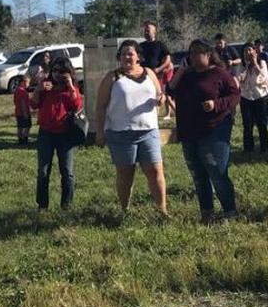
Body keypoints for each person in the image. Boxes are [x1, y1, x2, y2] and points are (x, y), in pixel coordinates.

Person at [169, 39, 241, 223]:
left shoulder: (219, 74)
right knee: (199, 175)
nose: (192, 57)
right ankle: (207, 213)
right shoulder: (186, 75)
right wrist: (181, 71)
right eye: (190, 53)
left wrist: (216, 104)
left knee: (217, 173)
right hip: (189, 131)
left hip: (214, 130)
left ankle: (230, 211)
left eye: (196, 53)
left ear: (208, 54)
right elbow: (169, 90)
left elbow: (234, 95)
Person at [94, 40, 167, 215]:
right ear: (119, 57)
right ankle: (125, 209)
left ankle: (162, 209)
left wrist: (161, 100)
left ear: (138, 56)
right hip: (121, 133)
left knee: (156, 170)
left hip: (148, 130)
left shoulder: (149, 73)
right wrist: (100, 132)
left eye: (131, 53)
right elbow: (100, 106)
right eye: (124, 53)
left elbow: (160, 94)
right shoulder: (112, 77)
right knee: (126, 173)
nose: (127, 56)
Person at [32, 56, 82, 212]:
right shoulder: (45, 86)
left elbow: (76, 106)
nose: (57, 75)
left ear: (68, 72)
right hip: (46, 133)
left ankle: (66, 205)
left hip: (65, 134)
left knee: (67, 172)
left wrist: (71, 87)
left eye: (61, 72)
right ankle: (42, 205)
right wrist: (38, 90)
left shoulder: (70, 88)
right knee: (43, 172)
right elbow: (33, 104)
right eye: (54, 71)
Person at [237, 43, 268, 153]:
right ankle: (248, 148)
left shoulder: (262, 63)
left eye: (249, 50)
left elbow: (263, 78)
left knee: (261, 123)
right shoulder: (242, 66)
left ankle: (265, 147)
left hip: (260, 96)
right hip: (246, 97)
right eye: (245, 51)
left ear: (255, 52)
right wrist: (247, 66)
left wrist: (255, 63)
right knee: (247, 124)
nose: (248, 53)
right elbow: (240, 79)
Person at [138, 20, 174, 118]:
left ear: (154, 32)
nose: (146, 32)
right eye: (145, 30)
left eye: (148, 30)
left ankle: (174, 113)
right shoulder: (140, 46)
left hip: (157, 76)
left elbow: (168, 59)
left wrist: (158, 69)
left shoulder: (160, 45)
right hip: (143, 76)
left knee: (160, 96)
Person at [13, 77, 34, 144]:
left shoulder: (17, 90)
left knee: (20, 126)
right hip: (23, 112)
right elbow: (22, 103)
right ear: (23, 82)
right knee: (27, 126)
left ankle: (20, 139)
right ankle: (25, 139)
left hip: (18, 112)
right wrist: (25, 113)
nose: (28, 84)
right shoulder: (22, 91)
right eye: (27, 82)